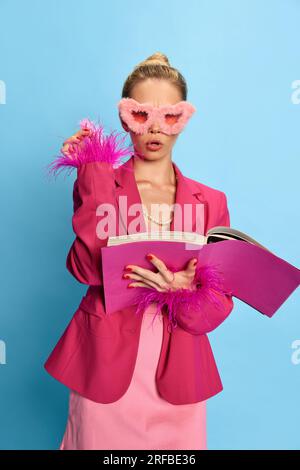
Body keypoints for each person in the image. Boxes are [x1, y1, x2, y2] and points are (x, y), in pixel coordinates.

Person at [44, 52, 234, 450]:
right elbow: (86, 269)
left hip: (179, 370)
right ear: (124, 118)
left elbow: (218, 307)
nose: (154, 128)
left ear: (184, 119)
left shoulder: (211, 201)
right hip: (105, 365)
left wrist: (189, 289)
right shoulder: (100, 182)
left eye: (169, 116)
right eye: (141, 114)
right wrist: (91, 167)